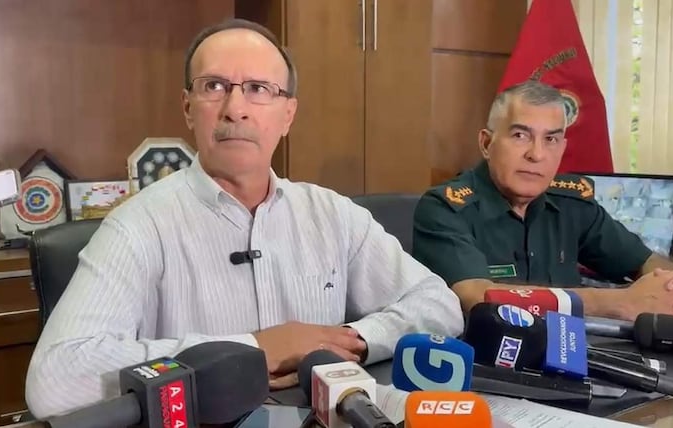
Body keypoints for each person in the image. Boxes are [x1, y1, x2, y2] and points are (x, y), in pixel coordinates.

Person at [25, 19, 463, 418]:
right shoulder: (138, 225)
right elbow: (55, 378)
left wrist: (351, 339)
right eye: (214, 86)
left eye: (258, 88)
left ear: (288, 115)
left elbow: (438, 305)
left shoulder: (332, 214)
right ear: (187, 108)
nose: (235, 108)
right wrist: (252, 349)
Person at [412, 80, 673, 322]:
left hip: (574, 355)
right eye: (520, 136)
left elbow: (644, 261)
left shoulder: (571, 203)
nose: (537, 154)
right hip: (486, 362)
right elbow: (478, 297)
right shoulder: (444, 208)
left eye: (551, 139)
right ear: (487, 143)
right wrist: (620, 302)